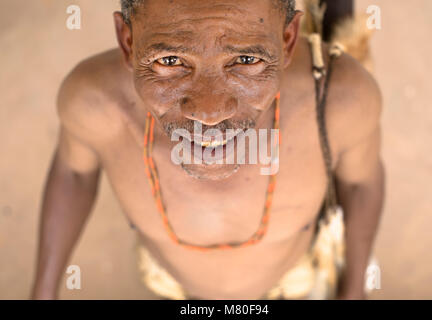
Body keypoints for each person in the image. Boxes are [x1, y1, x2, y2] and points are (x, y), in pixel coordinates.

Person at [31, 0, 384, 300]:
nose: (209, 111)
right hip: (168, 282)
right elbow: (74, 173)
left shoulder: (340, 101)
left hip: (293, 280)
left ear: (288, 40)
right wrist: (43, 292)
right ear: (128, 42)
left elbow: (360, 184)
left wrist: (353, 288)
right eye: (170, 61)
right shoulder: (93, 103)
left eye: (246, 60)